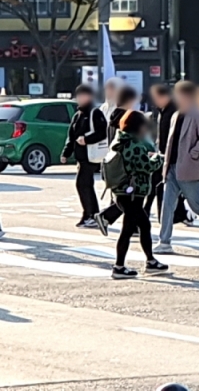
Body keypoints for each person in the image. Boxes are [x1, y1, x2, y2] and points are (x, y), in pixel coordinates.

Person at [155, 81, 199, 254]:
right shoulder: (176, 115)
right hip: (172, 166)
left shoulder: (196, 114)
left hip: (188, 166)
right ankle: (164, 241)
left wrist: (194, 153)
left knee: (196, 205)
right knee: (167, 204)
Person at [108, 110, 168, 279]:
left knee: (144, 225)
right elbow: (146, 166)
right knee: (128, 229)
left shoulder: (120, 141)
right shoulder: (134, 144)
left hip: (123, 191)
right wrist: (158, 158)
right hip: (133, 193)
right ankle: (119, 266)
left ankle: (150, 261)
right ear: (138, 126)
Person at [92, 85, 141, 234]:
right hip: (127, 162)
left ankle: (130, 224)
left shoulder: (112, 116)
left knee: (125, 196)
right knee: (131, 196)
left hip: (115, 161)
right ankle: (108, 217)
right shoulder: (127, 117)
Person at [62, 85, 108, 228]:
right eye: (79, 96)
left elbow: (103, 132)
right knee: (85, 185)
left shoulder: (95, 113)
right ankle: (90, 214)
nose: (80, 98)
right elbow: (71, 135)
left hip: (92, 156)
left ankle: (91, 214)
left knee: (83, 184)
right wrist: (66, 153)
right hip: (82, 156)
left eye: (83, 95)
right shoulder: (78, 115)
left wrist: (87, 140)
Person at [147, 83, 177, 217]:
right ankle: (156, 213)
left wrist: (165, 153)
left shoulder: (174, 111)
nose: (155, 101)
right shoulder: (162, 111)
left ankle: (170, 214)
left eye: (156, 98)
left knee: (163, 186)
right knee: (156, 184)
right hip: (162, 154)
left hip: (170, 156)